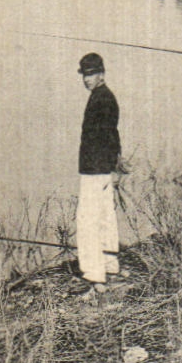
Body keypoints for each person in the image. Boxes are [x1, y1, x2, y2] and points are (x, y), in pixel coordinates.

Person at [75, 53, 121, 284]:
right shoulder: (104, 97)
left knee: (88, 220)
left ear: (102, 74)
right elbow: (114, 134)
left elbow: (107, 136)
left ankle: (94, 273)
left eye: (91, 74)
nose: (87, 79)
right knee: (105, 217)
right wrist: (114, 166)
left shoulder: (102, 99)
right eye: (85, 74)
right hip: (101, 169)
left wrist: (107, 168)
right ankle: (110, 265)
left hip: (95, 170)